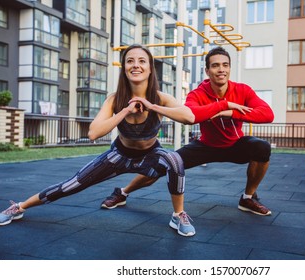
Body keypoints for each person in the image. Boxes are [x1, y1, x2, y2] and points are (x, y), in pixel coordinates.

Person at [0, 44, 198, 236]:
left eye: (141, 61)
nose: (136, 65)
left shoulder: (160, 98)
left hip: (151, 155)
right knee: (71, 185)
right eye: (130, 61)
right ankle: (19, 207)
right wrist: (126, 110)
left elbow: (189, 117)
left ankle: (178, 215)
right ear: (124, 68)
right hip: (119, 155)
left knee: (174, 160)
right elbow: (93, 133)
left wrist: (152, 106)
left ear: (150, 68)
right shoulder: (114, 99)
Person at [101, 46, 275, 219]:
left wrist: (229, 112)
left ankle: (247, 197)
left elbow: (267, 114)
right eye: (215, 66)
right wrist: (218, 106)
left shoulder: (242, 90)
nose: (221, 69)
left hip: (235, 144)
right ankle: (123, 192)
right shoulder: (197, 94)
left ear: (229, 68)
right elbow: (192, 115)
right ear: (207, 71)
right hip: (206, 145)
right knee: (165, 164)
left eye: (225, 65)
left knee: (261, 147)